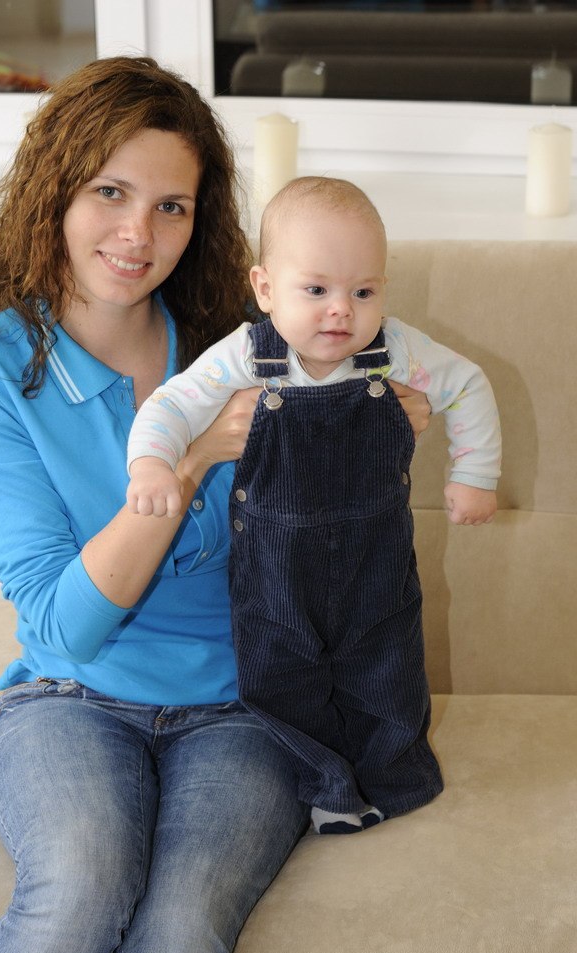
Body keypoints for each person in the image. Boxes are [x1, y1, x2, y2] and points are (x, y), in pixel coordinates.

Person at [0, 58, 431, 953]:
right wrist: (194, 457)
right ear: (54, 191)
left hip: (248, 706)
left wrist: (386, 428)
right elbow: (66, 625)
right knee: (78, 898)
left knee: (180, 937)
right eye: (110, 192)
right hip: (69, 701)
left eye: (172, 206)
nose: (139, 234)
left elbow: (339, 530)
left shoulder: (245, 345)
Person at [127, 175, 501, 835]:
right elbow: (172, 405)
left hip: (375, 563)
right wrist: (153, 463)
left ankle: (394, 780)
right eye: (317, 290)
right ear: (265, 288)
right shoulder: (248, 357)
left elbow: (467, 385)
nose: (341, 312)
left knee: (387, 673)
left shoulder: (394, 352)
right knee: (281, 680)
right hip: (276, 572)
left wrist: (474, 473)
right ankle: (325, 786)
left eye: (364, 292)